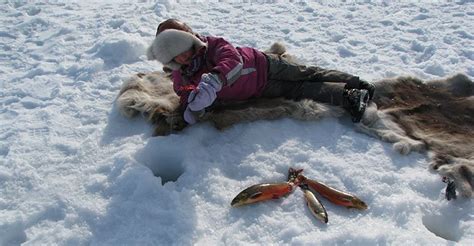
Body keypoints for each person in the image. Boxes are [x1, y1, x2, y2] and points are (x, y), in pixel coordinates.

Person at [147, 19, 375, 124]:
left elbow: (232, 60)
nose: (183, 56)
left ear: (191, 39)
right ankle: (350, 96)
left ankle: (354, 82)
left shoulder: (213, 45)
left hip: (265, 64)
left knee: (307, 73)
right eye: (176, 55)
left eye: (183, 47)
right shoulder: (182, 76)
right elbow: (184, 94)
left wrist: (216, 79)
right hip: (258, 89)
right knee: (300, 91)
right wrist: (194, 108)